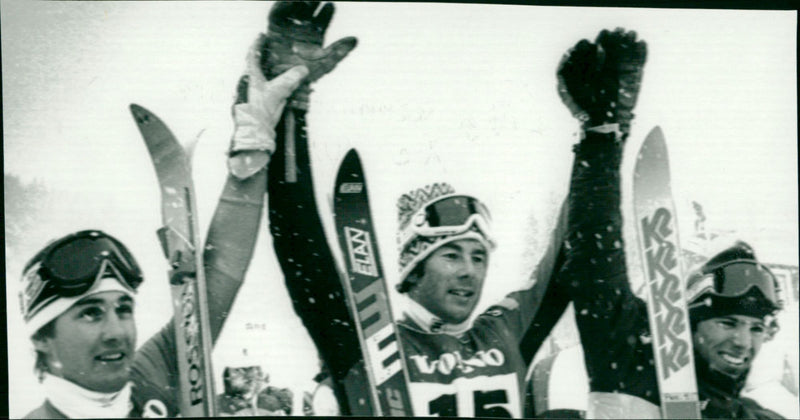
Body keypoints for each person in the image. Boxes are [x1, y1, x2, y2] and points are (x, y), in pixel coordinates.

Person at [257, 2, 649, 417]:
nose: (470, 270)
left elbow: (576, 243)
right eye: (451, 254)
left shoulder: (502, 333)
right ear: (414, 269)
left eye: (479, 256)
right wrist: (289, 107)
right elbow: (303, 249)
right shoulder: (369, 341)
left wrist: (603, 135)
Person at [18, 35, 311, 418]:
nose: (116, 332)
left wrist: (253, 146)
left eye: (123, 309)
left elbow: (220, 275)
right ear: (43, 338)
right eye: (90, 313)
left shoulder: (148, 376)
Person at [554, 28, 785, 418]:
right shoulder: (627, 353)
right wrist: (602, 135)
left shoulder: (754, 414)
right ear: (691, 320)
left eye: (755, 327)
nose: (743, 341)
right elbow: (595, 250)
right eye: (728, 322)